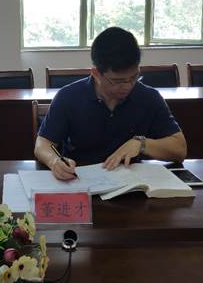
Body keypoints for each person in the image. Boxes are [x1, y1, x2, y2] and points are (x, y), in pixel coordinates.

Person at [35, 27, 187, 180]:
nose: (127, 86)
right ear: (96, 73)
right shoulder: (69, 96)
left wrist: (141, 144)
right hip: (80, 181)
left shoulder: (148, 97)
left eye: (134, 77)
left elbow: (180, 149)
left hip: (132, 184)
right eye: (117, 81)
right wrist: (54, 161)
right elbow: (43, 143)